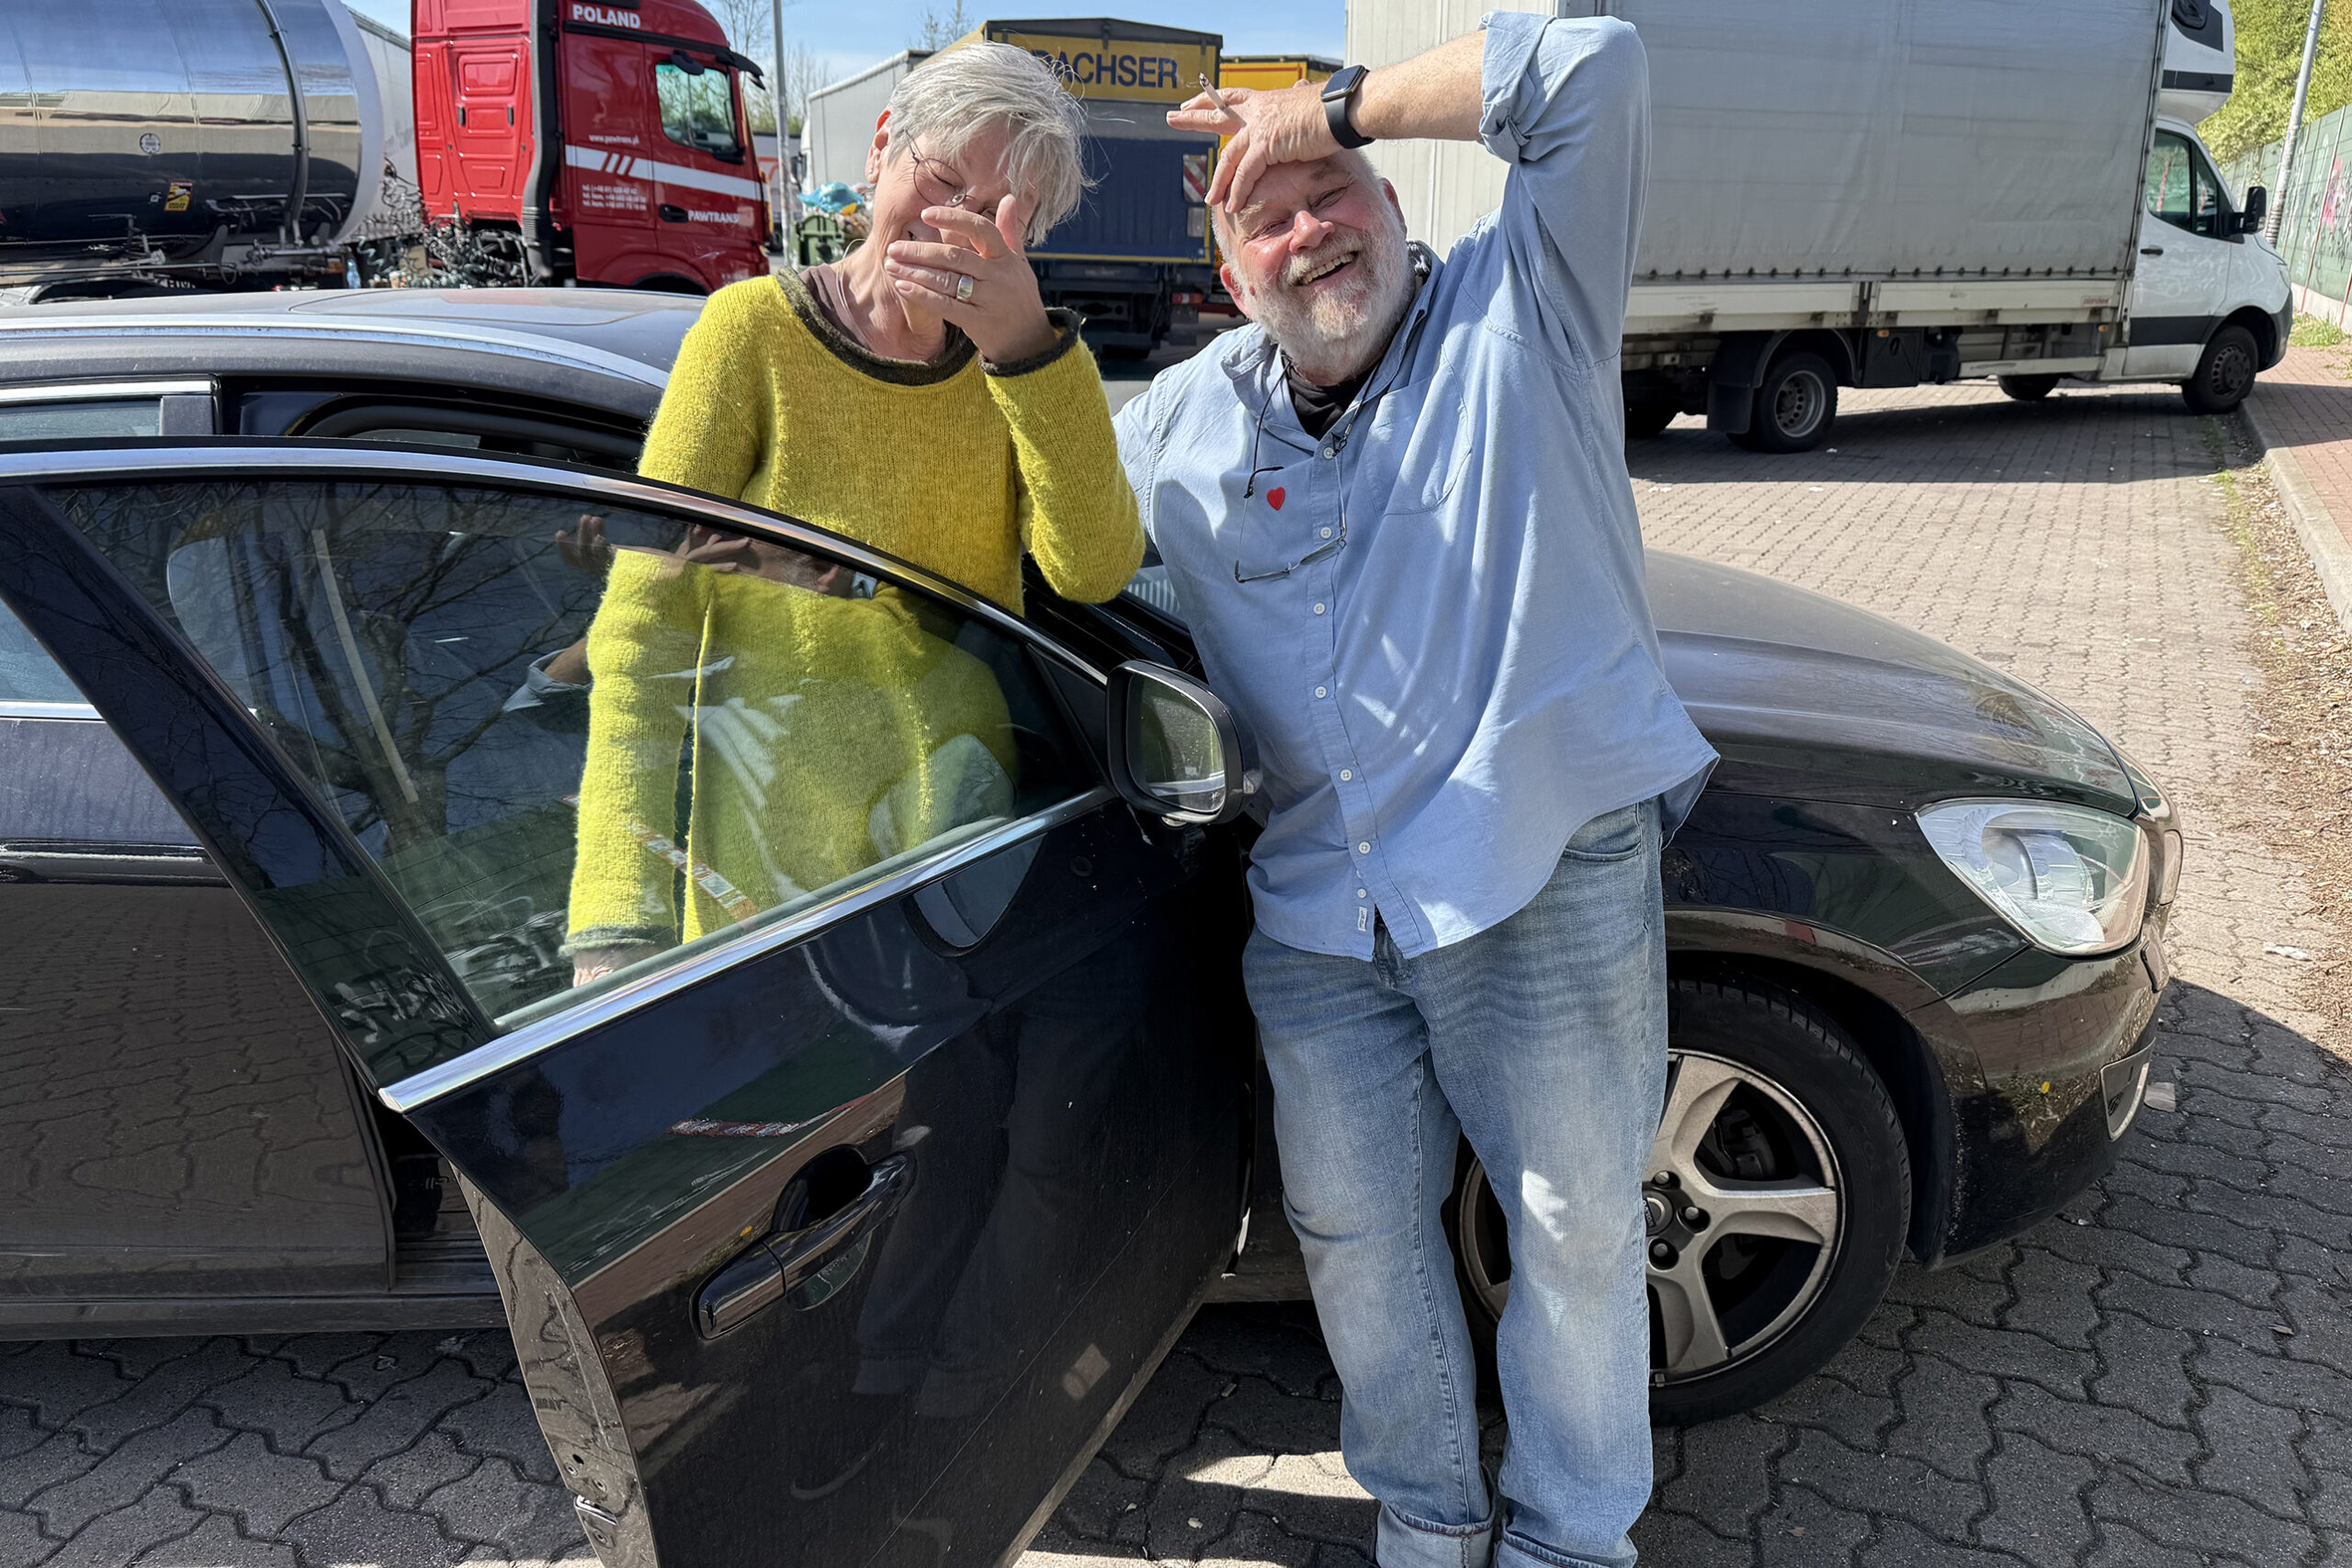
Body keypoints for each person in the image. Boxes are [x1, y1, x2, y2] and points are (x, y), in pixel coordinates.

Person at [1114, 17, 1716, 1568]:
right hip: (1323, 912)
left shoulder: (1526, 309)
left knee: (1575, 1233)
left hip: (1540, 875)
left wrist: (1324, 107)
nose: (1308, 227)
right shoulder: (1185, 421)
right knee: (1356, 1239)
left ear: (1392, 202)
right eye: (1266, 216)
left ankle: (1570, 1540)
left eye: (1331, 189)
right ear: (1229, 275)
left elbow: (1594, 70)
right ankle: (1431, 1521)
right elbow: (1032, 516)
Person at [561, 41, 1144, 986]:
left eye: (1004, 216)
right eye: (942, 180)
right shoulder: (750, 335)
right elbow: (644, 620)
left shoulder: (1018, 370)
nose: (959, 226)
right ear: (879, 149)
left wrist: (1030, 354)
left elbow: (1092, 568)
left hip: (958, 858)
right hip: (766, 877)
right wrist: (615, 907)